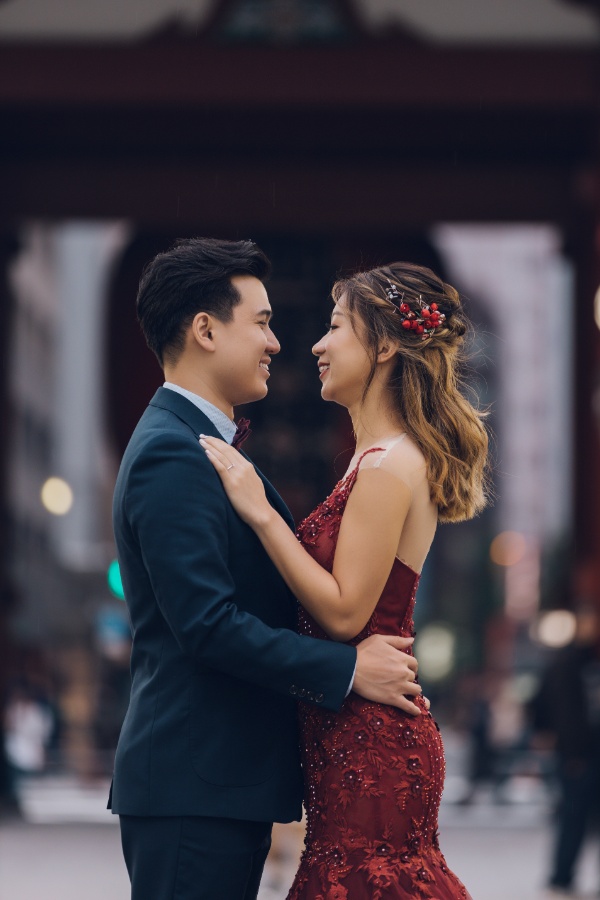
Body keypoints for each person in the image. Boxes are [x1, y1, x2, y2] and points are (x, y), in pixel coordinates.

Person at [109, 238, 424, 900]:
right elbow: (207, 625)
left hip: (219, 785)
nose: (277, 342)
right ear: (204, 330)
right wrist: (347, 670)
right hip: (194, 789)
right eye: (261, 322)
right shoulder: (172, 454)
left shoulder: (201, 447)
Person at [201, 261, 489, 898]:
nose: (316, 346)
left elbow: (343, 614)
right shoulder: (376, 457)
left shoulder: (388, 464)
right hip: (353, 729)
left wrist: (259, 510)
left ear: (384, 346)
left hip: (372, 741)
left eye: (335, 328)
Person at [531, 606, 600, 897]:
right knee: (572, 818)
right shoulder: (566, 663)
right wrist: (549, 736)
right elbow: (543, 704)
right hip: (576, 755)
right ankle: (561, 877)